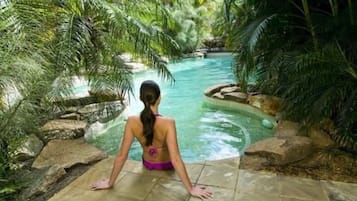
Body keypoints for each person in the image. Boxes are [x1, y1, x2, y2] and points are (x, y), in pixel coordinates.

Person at [91, 80, 213, 199]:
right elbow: (175, 159)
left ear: (140, 98)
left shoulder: (132, 121)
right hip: (166, 165)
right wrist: (191, 189)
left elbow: (122, 156)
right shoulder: (168, 123)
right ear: (159, 98)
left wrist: (110, 182)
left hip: (148, 163)